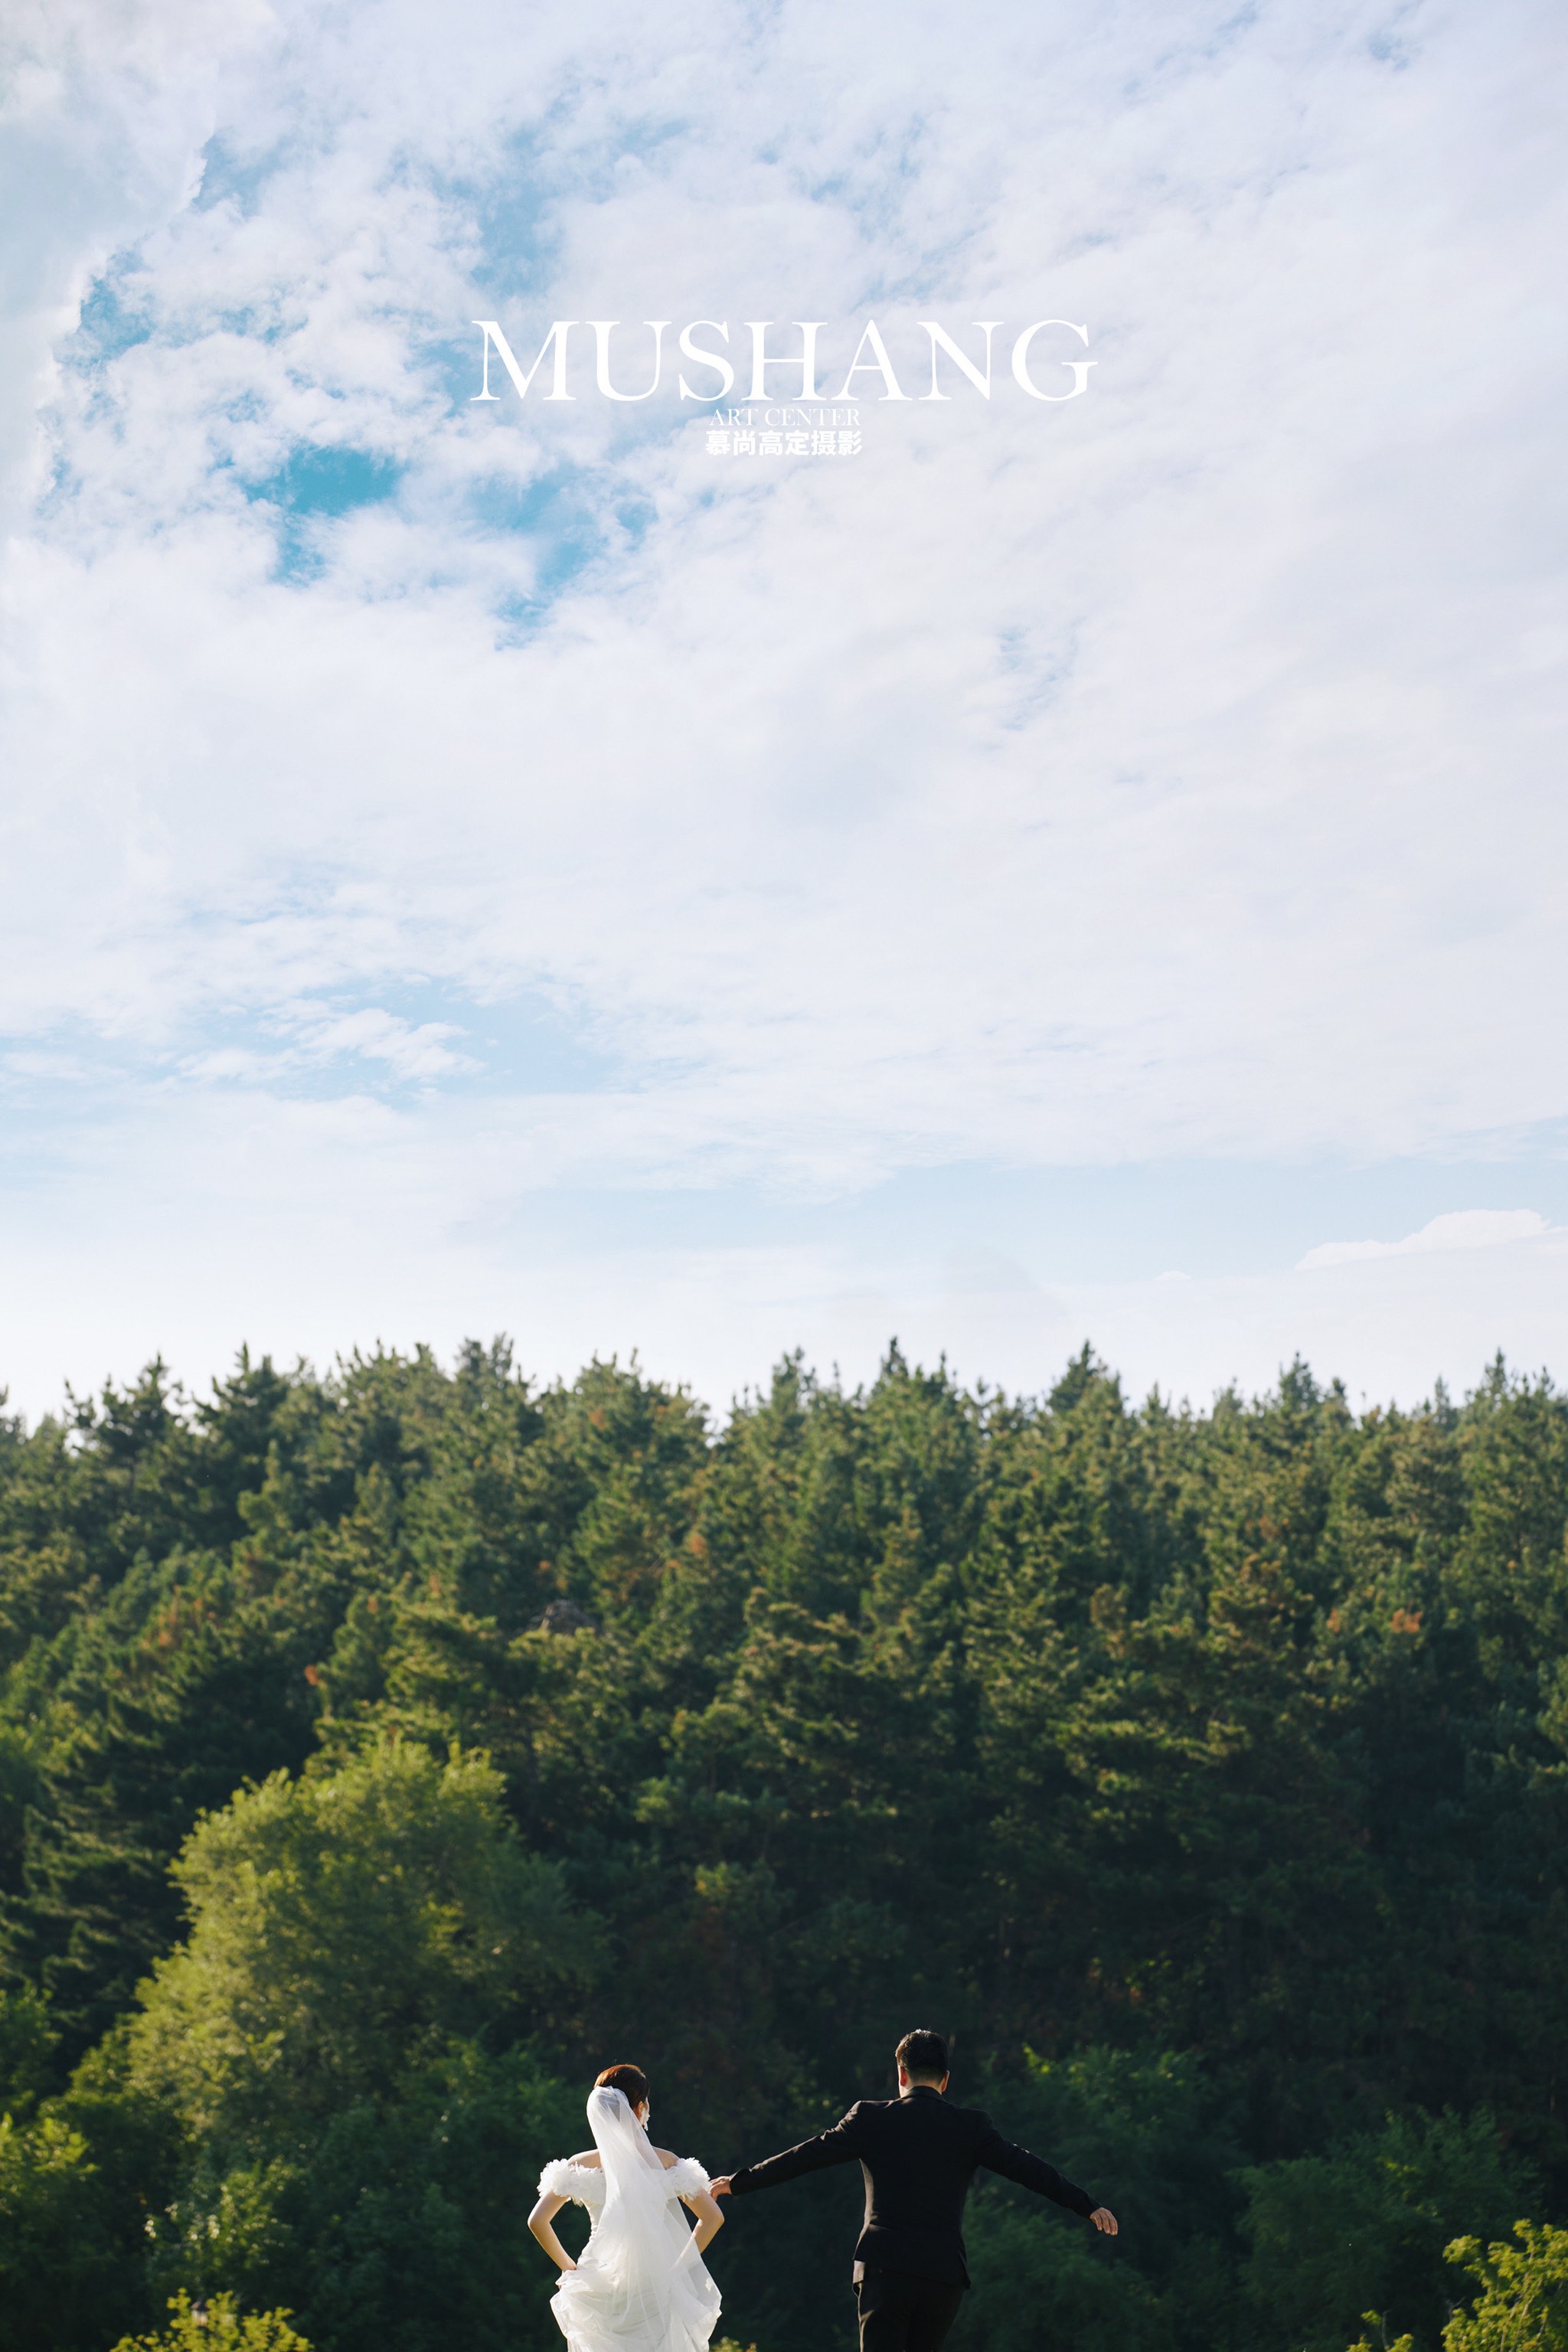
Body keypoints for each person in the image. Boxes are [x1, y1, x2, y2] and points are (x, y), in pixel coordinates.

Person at [712, 2028, 1119, 2352]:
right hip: (943, 2276)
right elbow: (1031, 2169)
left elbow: (804, 2156)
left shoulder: (869, 2119)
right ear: (945, 2080)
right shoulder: (972, 2127)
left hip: (885, 2269)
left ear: (901, 2075)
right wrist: (1088, 2206)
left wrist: (740, 2182)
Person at [530, 2063, 726, 2352]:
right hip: (654, 2282)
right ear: (640, 2108)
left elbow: (537, 2221)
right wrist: (679, 2267)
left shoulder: (581, 2164)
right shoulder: (666, 2162)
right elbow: (713, 2218)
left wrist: (570, 2269)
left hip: (601, 2277)